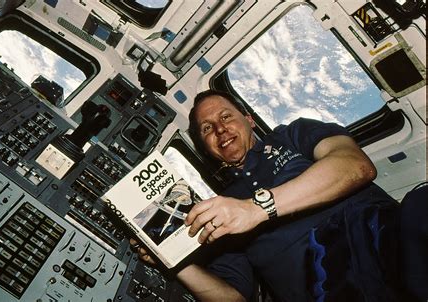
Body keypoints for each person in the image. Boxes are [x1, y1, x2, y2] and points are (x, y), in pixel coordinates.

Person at [133, 89, 424, 302]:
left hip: (383, 238)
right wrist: (174, 262)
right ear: (204, 146)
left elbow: (356, 166)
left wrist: (257, 208)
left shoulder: (293, 135)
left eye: (226, 116)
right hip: (323, 288)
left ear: (249, 120)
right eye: (207, 128)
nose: (220, 129)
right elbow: (233, 299)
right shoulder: (219, 207)